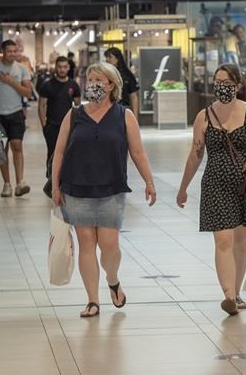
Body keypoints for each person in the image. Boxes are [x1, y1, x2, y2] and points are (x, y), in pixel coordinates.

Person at [51, 62, 156, 318]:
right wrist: (55, 185)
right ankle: (92, 301)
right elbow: (60, 151)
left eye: (99, 79)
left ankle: (112, 278)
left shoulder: (124, 116)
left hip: (111, 188)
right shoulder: (75, 114)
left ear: (111, 85)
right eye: (90, 79)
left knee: (110, 246)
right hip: (77, 188)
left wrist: (149, 181)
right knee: (86, 244)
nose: (93, 84)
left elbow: (138, 152)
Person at [177, 64, 246, 316]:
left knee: (241, 241)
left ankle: (236, 290)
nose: (221, 86)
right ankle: (229, 296)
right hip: (215, 183)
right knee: (223, 239)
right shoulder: (204, 116)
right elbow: (195, 154)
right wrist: (183, 188)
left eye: (226, 81)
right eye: (217, 81)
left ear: (238, 85)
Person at [0, 40, 33, 197]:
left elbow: (27, 93)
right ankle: (7, 184)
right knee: (1, 150)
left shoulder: (22, 69)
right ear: (3, 52)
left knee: (17, 145)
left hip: (16, 113)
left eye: (15, 51)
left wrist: (11, 81)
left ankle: (20, 182)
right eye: (9, 51)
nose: (12, 54)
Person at [39, 56, 81, 176]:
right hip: (52, 125)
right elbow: (41, 106)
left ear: (68, 68)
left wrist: (77, 124)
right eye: (59, 67)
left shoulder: (73, 85)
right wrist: (44, 125)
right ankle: (51, 179)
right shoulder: (47, 85)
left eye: (64, 67)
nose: (62, 70)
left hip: (68, 126)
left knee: (69, 152)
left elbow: (78, 106)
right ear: (55, 68)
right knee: (52, 153)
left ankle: (66, 178)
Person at [104, 48, 140, 117]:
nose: (107, 60)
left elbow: (134, 96)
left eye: (110, 57)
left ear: (117, 59)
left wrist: (135, 117)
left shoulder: (127, 75)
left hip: (123, 109)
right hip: (106, 109)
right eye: (106, 57)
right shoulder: (104, 74)